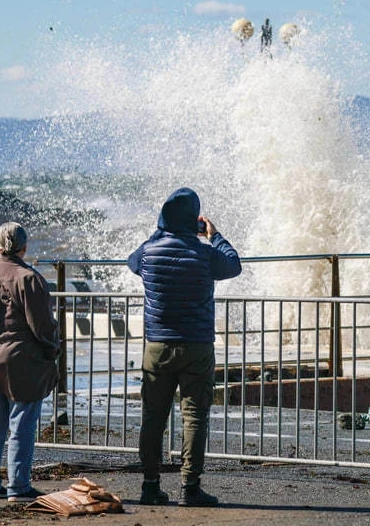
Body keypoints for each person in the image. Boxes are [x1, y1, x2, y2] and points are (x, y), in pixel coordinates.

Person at [127, 187, 242, 507]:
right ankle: (190, 488)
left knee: (153, 418)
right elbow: (233, 265)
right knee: (194, 419)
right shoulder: (205, 253)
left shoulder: (150, 252)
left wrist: (161, 229)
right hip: (197, 346)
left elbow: (132, 260)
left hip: (158, 345)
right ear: (195, 220)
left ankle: (150, 486)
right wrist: (214, 235)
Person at [0, 222, 59, 502]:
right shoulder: (29, 278)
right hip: (22, 361)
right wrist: (52, 351)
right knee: (21, 423)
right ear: (24, 247)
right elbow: (43, 326)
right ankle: (18, 487)